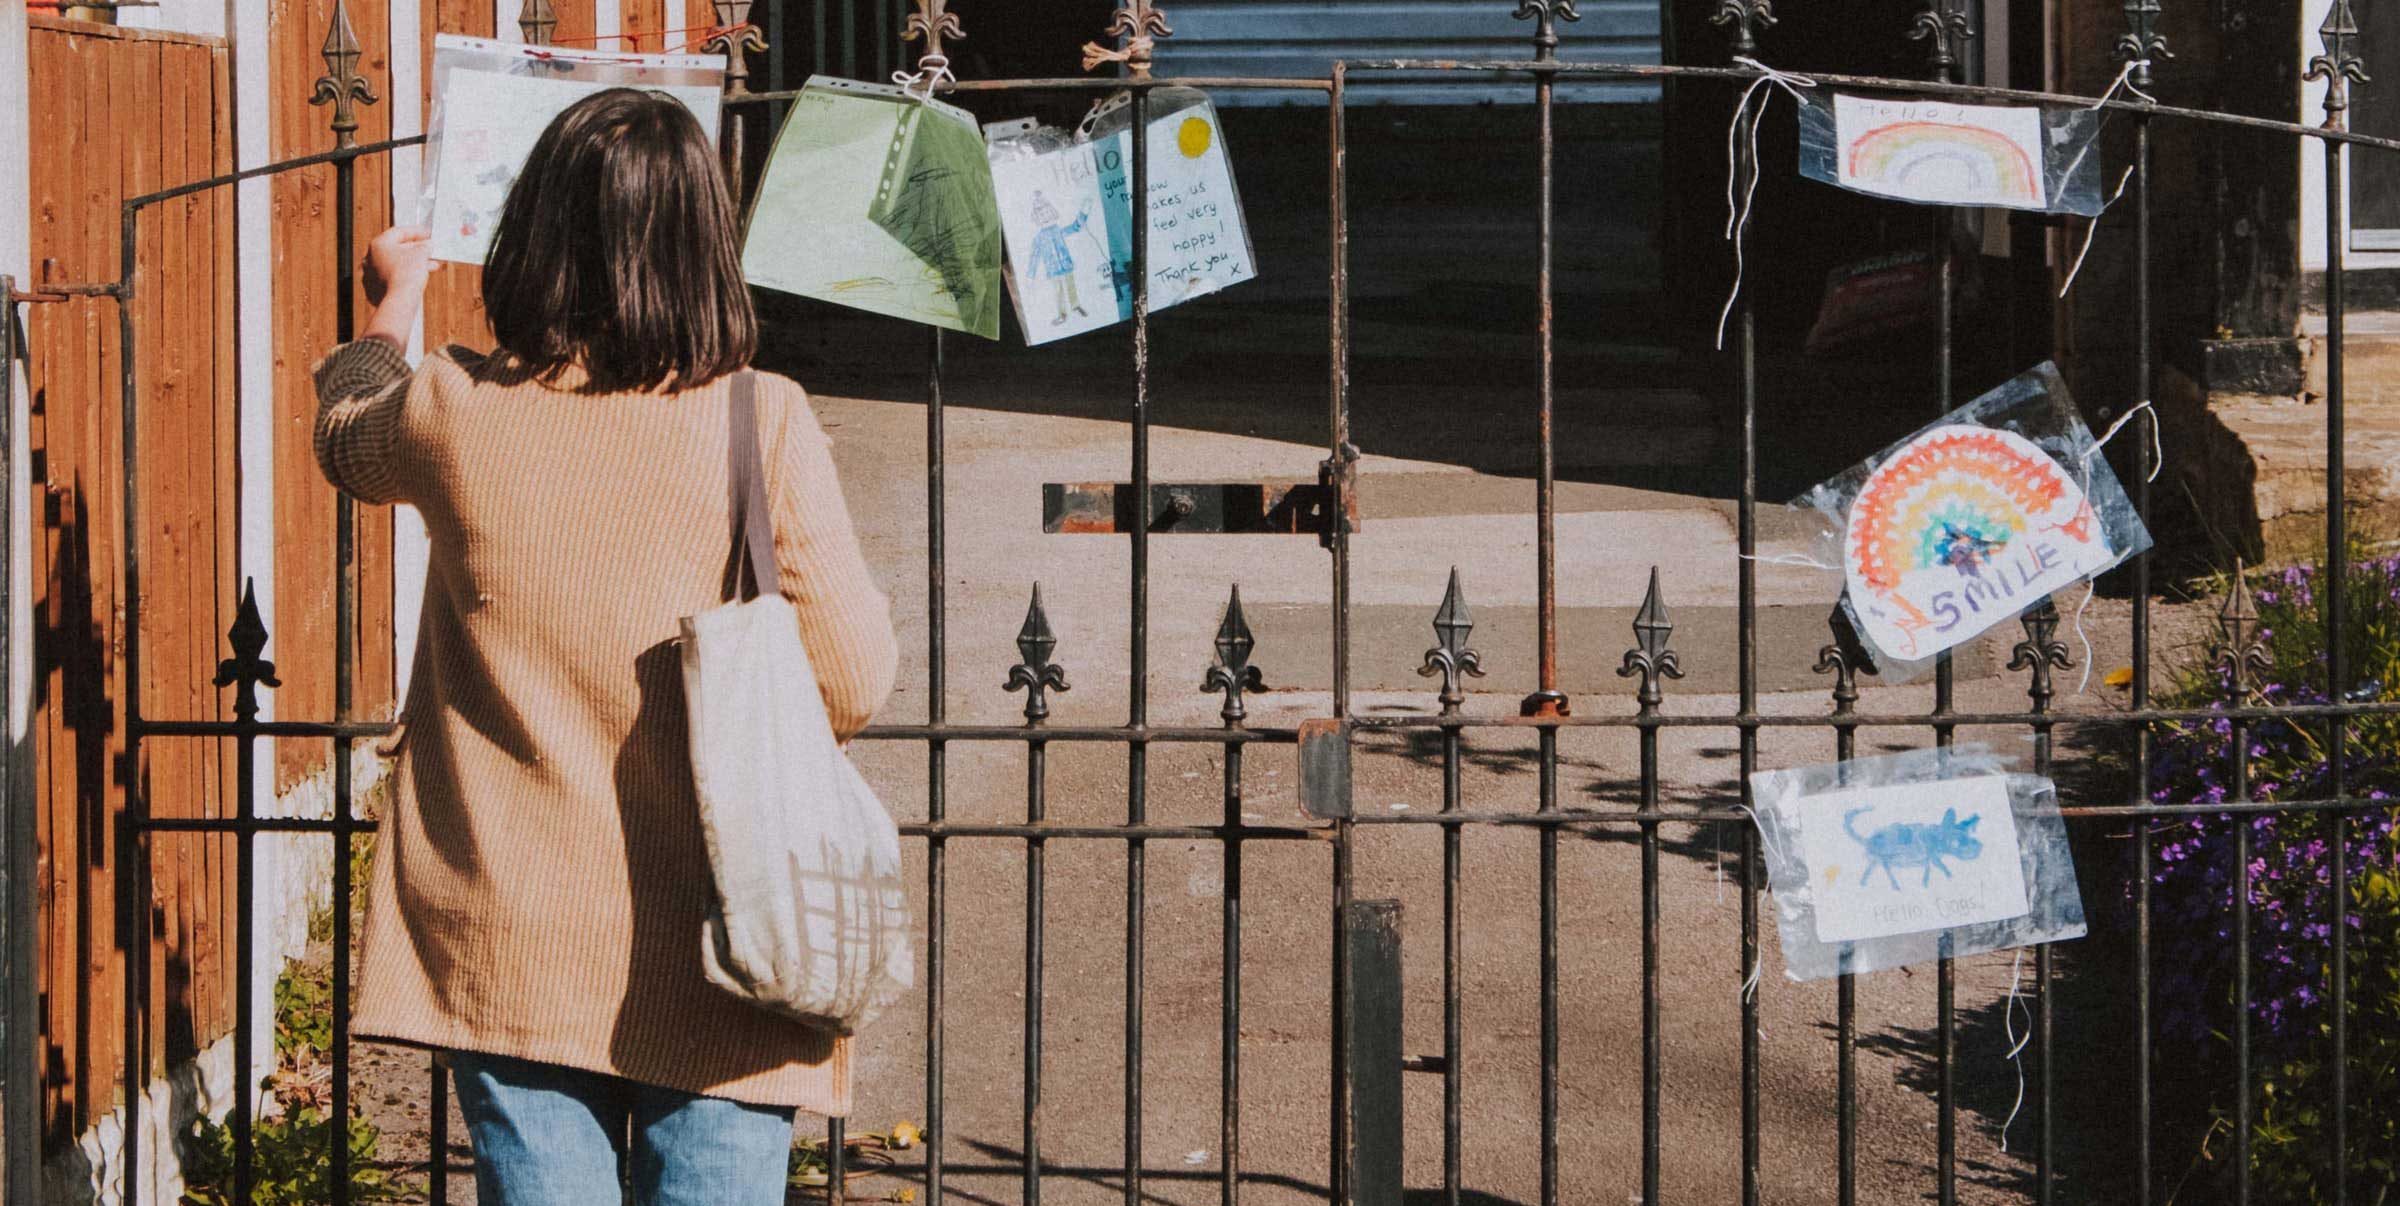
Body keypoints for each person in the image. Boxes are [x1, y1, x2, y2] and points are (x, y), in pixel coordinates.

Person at [311, 88, 898, 1206]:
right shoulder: (758, 418)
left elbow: (347, 427)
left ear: (533, 234)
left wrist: (393, 298)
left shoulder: (456, 410)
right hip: (726, 937)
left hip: (511, 922)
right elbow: (852, 683)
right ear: (705, 245)